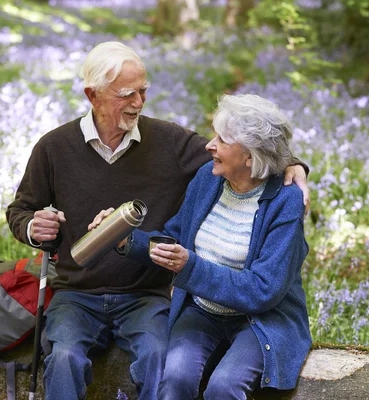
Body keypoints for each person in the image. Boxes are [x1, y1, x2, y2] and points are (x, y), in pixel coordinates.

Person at [6, 41, 310, 400]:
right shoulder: (54, 148)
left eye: (143, 90)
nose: (139, 102)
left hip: (144, 295)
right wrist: (32, 227)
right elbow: (20, 210)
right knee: (64, 357)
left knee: (158, 358)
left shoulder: (171, 143)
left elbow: (251, 151)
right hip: (77, 293)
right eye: (127, 94)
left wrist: (292, 165)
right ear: (93, 95)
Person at [90, 93, 311, 399]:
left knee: (224, 387)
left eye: (222, 139)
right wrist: (127, 238)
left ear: (250, 156)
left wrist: (189, 266)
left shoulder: (285, 203)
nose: (210, 145)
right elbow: (175, 239)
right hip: (203, 311)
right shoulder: (208, 179)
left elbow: (264, 290)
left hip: (260, 320)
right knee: (176, 378)